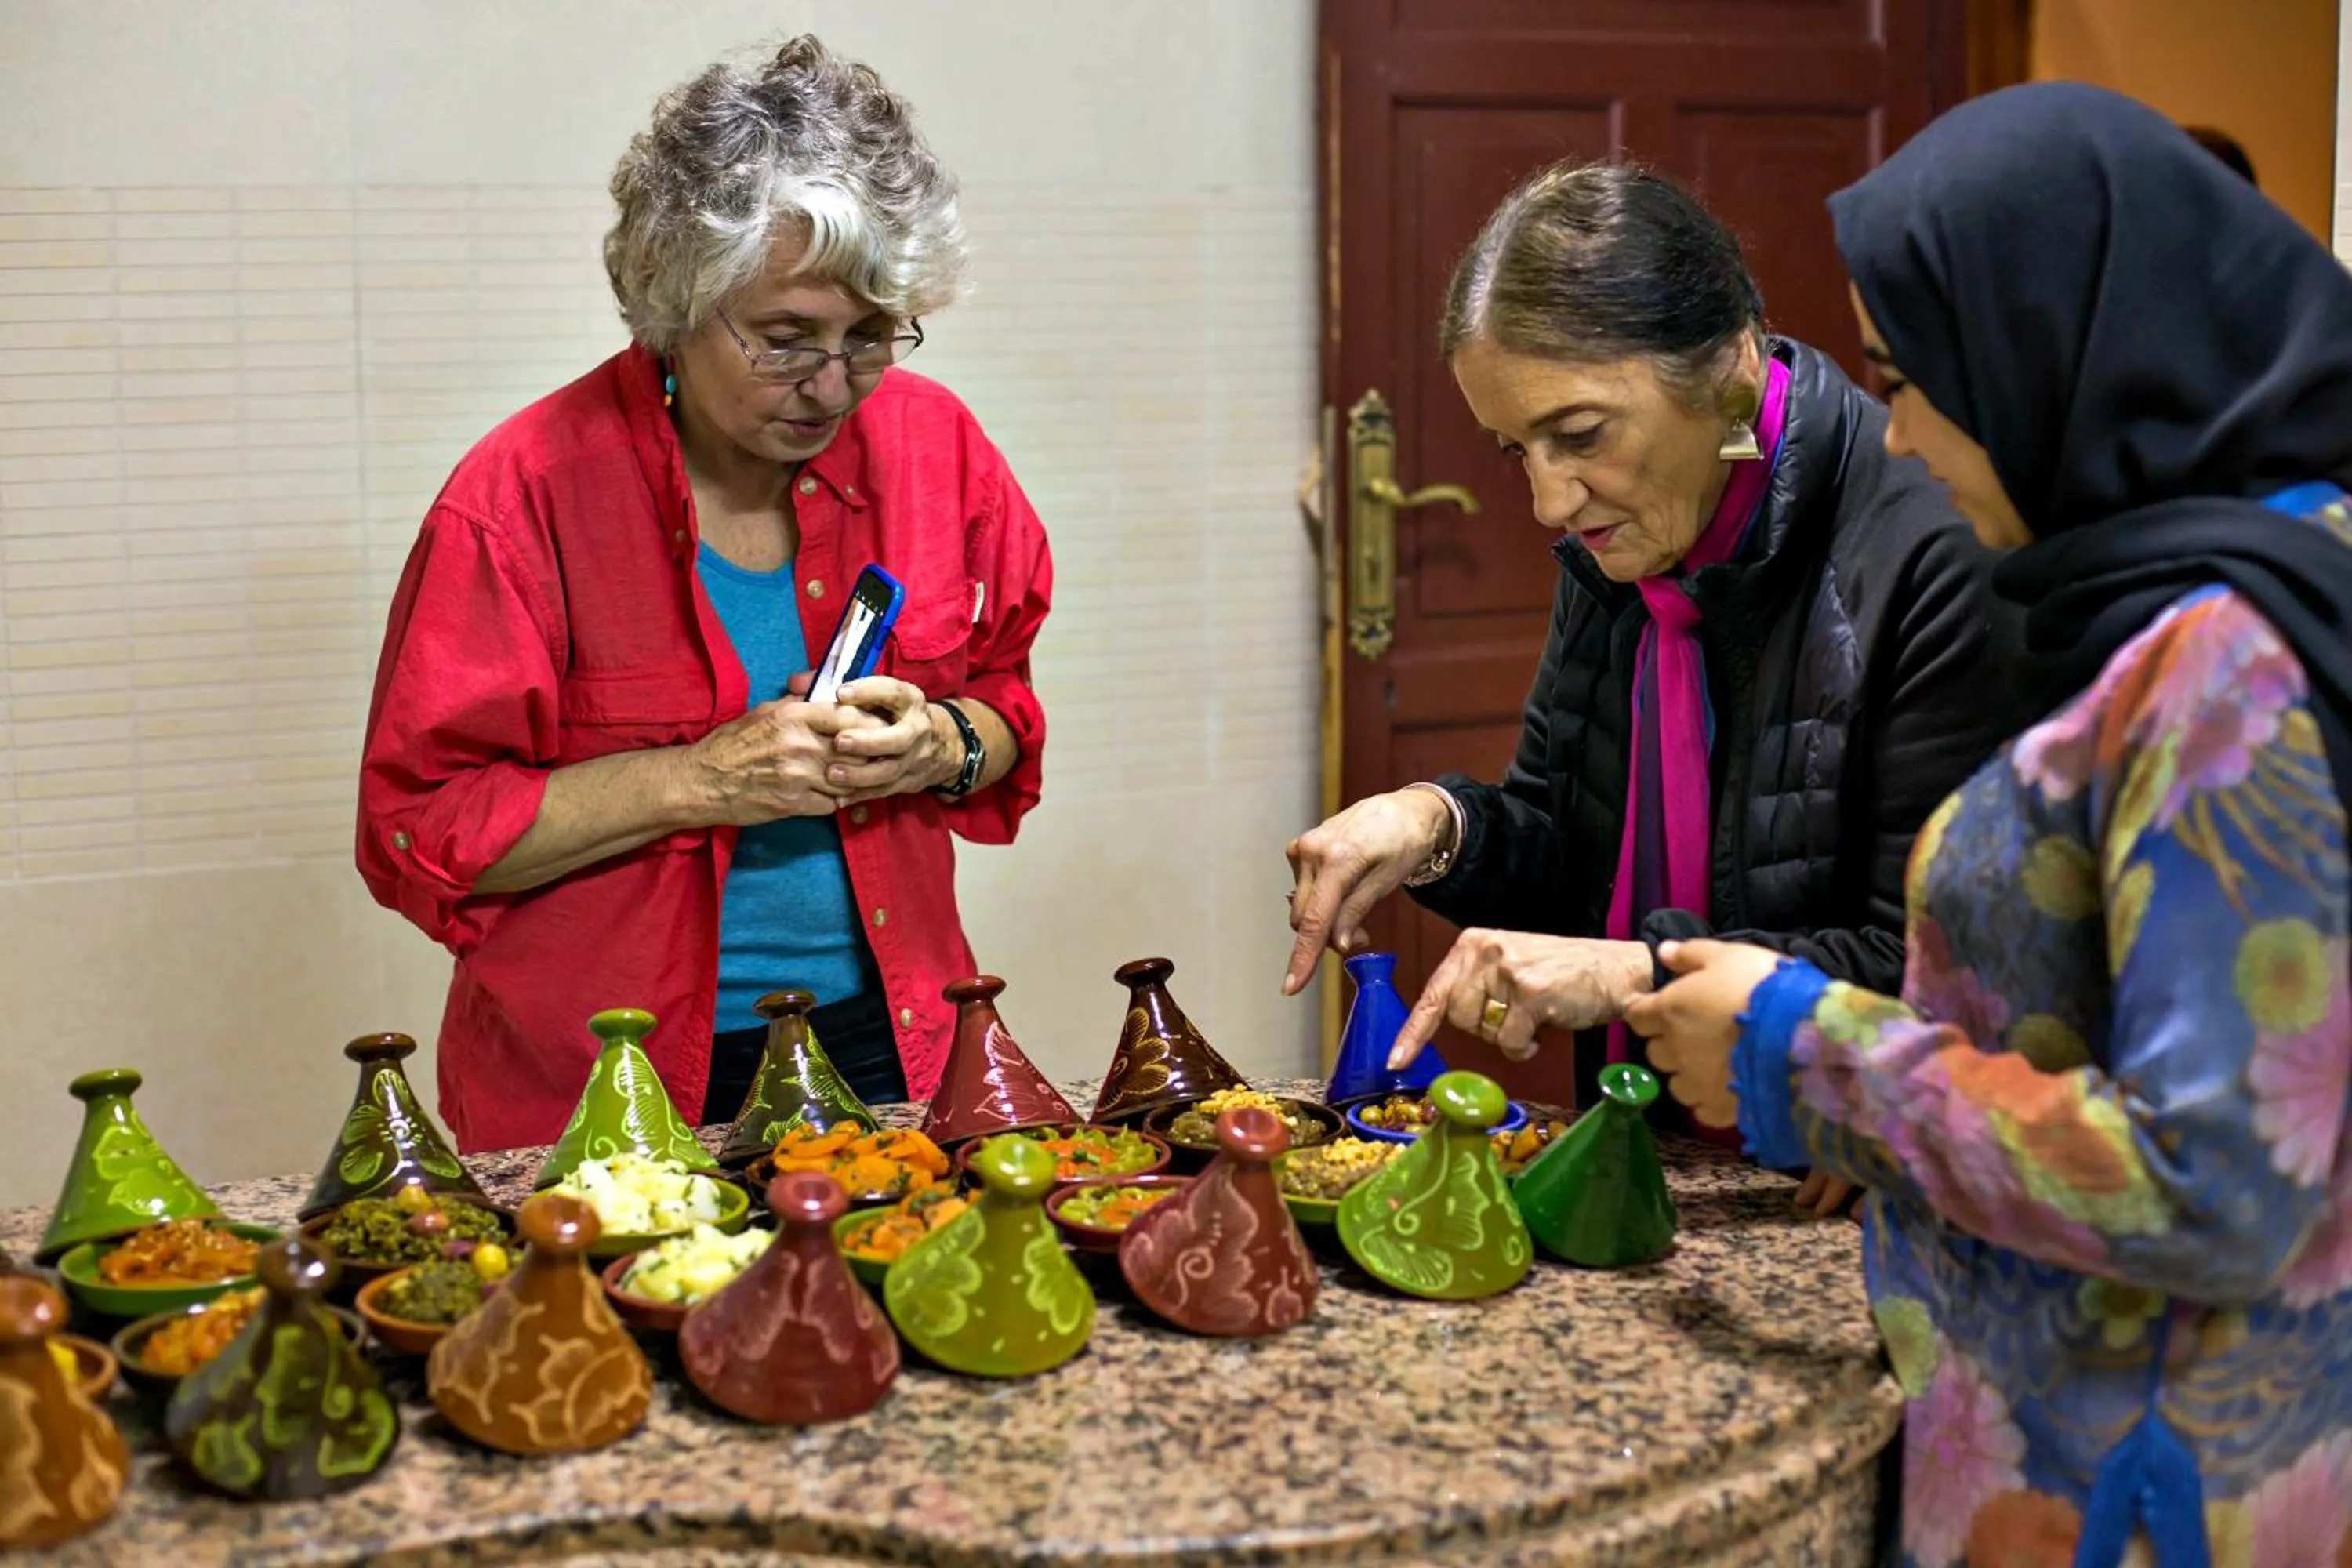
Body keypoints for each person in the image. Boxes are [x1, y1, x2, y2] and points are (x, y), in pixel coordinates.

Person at [1628, 82, 2352, 1563]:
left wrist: (1801, 1048)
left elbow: (2212, 1185)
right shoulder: (2248, 576)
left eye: (1909, 380)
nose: (1897, 441)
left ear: (2052, 346)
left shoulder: (2229, 665)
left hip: (2131, 1481)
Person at [356, 37, 1051, 1152]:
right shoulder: (521, 497)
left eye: (872, 336)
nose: (834, 385)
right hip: (606, 1073)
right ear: (675, 300)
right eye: (786, 340)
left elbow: (1007, 711)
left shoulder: (936, 448)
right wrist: (699, 780)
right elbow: (419, 829)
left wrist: (941, 745)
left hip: (893, 1037)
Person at [1284, 161, 2010, 1200]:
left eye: (1580, 436)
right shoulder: (1629, 542)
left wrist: (1632, 971)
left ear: (1729, 368)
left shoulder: (1930, 552)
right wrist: (1433, 824)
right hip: (1666, 1145)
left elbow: (1942, 971)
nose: (1548, 501)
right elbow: (1571, 851)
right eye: (1516, 449)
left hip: (1859, 1165)